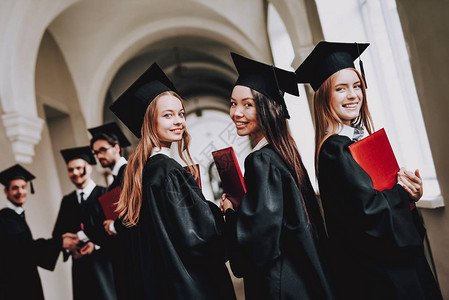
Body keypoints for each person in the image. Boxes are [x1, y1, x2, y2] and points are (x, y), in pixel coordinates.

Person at [295, 41, 442, 299]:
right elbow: (369, 213)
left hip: (391, 265)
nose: (353, 95)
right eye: (341, 88)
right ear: (324, 96)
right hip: (383, 274)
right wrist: (402, 193)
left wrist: (409, 192)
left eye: (357, 86)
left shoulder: (354, 140)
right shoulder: (335, 149)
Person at [109, 62, 236, 300]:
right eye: (168, 115)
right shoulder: (167, 170)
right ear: (149, 122)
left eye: (181, 113)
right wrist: (224, 214)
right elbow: (200, 238)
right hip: (191, 287)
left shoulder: (141, 171)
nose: (179, 121)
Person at [220, 52, 335, 300]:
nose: (236, 113)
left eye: (247, 104)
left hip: (281, 285)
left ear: (267, 109)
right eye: (233, 103)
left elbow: (259, 241)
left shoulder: (260, 160)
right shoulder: (285, 154)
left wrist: (231, 213)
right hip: (304, 278)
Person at [0, 164, 77, 300]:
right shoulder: (6, 218)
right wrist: (60, 242)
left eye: (23, 187)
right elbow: (26, 249)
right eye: (15, 188)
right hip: (15, 285)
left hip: (23, 281)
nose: (20, 192)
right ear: (6, 192)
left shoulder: (16, 216)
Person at [52, 146, 117, 300]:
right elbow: (58, 234)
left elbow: (116, 230)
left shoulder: (105, 194)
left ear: (89, 168)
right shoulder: (67, 201)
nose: (75, 173)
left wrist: (95, 244)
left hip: (105, 265)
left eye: (79, 168)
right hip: (80, 267)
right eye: (70, 170)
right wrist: (70, 248)